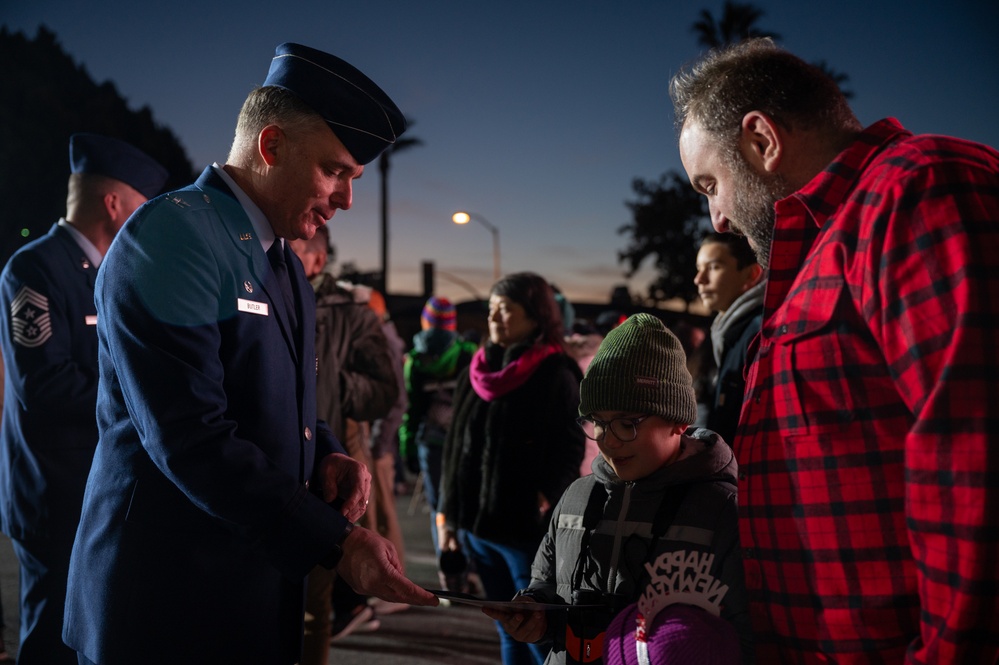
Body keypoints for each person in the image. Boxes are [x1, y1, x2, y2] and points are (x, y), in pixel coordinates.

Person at [63, 43, 437, 665]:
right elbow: (190, 434)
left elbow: (275, 400)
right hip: (165, 598)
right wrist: (338, 542)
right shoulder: (171, 237)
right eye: (335, 171)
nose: (346, 200)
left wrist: (328, 452)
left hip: (245, 585)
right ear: (271, 146)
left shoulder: (283, 263)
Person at [671, 37, 999, 663]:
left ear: (762, 141)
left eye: (710, 184)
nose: (715, 218)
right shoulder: (820, 253)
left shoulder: (919, 189)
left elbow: (975, 456)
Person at [484, 313, 750, 664]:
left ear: (678, 421)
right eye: (597, 422)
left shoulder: (722, 512)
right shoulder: (576, 498)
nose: (608, 440)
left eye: (627, 423)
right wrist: (536, 615)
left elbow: (746, 634)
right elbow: (545, 583)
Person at [0, 133, 168, 664]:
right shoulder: (34, 269)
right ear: (113, 204)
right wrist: (136, 396)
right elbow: (43, 387)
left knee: (84, 636)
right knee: (50, 636)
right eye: (140, 206)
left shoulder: (103, 271)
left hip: (87, 487)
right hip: (52, 492)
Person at [438, 272, 586, 665]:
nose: (495, 317)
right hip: (476, 526)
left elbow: (570, 447)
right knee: (506, 628)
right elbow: (455, 446)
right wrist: (449, 515)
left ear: (536, 316)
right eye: (491, 309)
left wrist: (546, 497)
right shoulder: (477, 367)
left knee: (538, 635)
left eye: (506, 309)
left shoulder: (557, 371)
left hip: (525, 531)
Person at [289, 226, 399, 661]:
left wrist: (333, 385)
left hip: (324, 465)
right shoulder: (264, 291)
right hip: (278, 461)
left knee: (314, 603)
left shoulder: (351, 312)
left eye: (294, 248)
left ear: (316, 259)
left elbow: (385, 389)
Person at [400, 296, 477, 568]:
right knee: (464, 499)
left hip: (429, 442)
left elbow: (411, 410)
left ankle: (448, 569)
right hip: (464, 441)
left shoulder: (415, 360)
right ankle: (466, 563)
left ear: (425, 321)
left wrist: (407, 447)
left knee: (438, 508)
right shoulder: (468, 353)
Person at [693, 232, 763, 445]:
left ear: (751, 274)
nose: (699, 279)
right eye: (699, 269)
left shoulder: (758, 333)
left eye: (714, 267)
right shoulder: (726, 331)